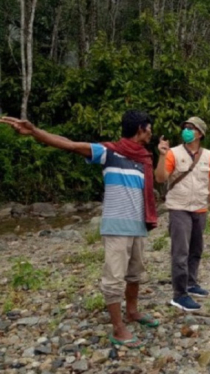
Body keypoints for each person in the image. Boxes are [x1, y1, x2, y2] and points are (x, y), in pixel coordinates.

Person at [1, 111, 160, 348]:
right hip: (116, 227)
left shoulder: (143, 159)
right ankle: (118, 328)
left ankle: (132, 312)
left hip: (138, 226)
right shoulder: (110, 152)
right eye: (149, 128)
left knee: (135, 273)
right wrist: (35, 132)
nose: (151, 132)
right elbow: (70, 145)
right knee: (114, 279)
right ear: (140, 129)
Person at [155, 117, 210, 312]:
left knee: (196, 250)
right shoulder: (173, 153)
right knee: (180, 252)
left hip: (200, 208)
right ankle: (179, 295)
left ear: (200, 133)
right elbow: (160, 178)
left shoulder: (208, 155)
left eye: (191, 128)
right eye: (185, 128)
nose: (187, 131)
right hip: (179, 208)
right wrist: (161, 156)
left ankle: (191, 283)